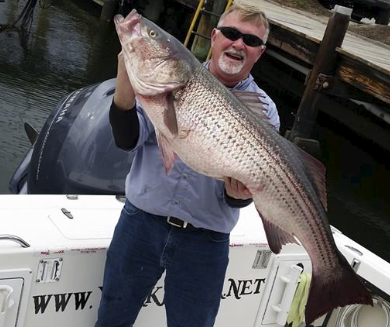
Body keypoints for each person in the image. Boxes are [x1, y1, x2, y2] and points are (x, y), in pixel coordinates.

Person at [96, 4, 280, 327]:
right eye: (231, 34)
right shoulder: (166, 77)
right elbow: (127, 138)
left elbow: (242, 195)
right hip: (141, 225)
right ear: (214, 36)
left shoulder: (264, 111)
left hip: (204, 244)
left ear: (259, 53)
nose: (238, 44)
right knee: (112, 319)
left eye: (249, 41)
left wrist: (240, 194)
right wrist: (125, 78)